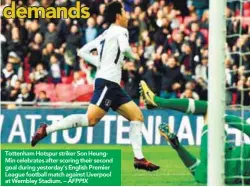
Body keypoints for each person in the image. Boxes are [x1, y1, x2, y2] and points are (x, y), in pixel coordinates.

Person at [31, 1, 159, 172]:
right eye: (125, 13)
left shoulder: (105, 34)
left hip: (111, 84)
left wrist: (100, 63)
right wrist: (135, 57)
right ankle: (47, 129)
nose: (128, 16)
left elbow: (82, 51)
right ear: (118, 16)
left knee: (137, 117)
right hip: (107, 82)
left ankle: (139, 159)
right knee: (90, 120)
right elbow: (125, 48)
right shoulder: (121, 31)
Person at [139, 80, 250, 184]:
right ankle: (177, 146)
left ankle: (156, 100)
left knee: (210, 109)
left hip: (223, 155)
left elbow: (245, 126)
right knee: (201, 172)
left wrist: (222, 116)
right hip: (219, 179)